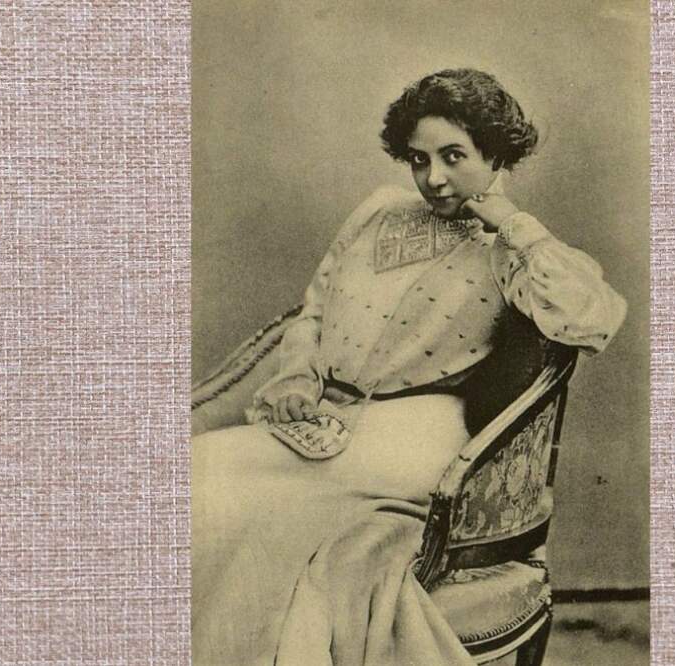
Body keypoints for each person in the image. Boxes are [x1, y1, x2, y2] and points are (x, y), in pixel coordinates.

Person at [192, 68, 627, 665]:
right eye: (420, 160)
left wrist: (515, 225)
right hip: (327, 418)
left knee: (255, 513)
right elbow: (314, 313)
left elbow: (590, 318)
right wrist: (296, 379)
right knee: (201, 470)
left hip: (416, 436)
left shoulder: (510, 250)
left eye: (454, 156)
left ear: (495, 153)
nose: (434, 178)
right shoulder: (378, 213)